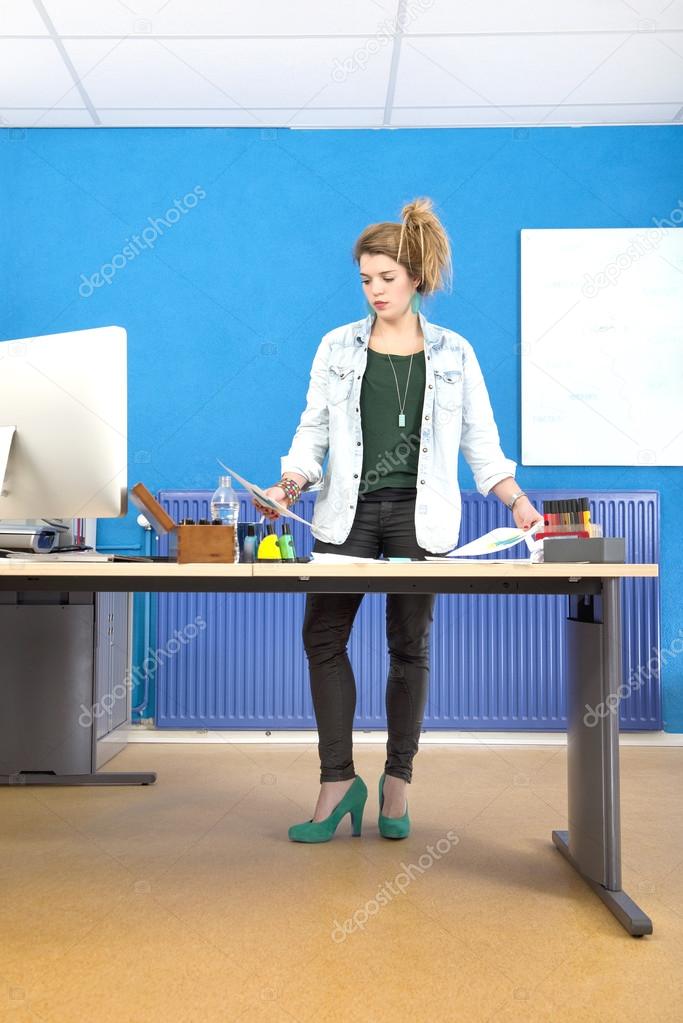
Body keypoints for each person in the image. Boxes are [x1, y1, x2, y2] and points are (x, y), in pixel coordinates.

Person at [253, 197, 542, 843]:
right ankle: (336, 782)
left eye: (385, 277)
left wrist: (517, 502)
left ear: (414, 276)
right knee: (322, 638)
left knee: (407, 647)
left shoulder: (452, 353)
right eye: (364, 279)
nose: (374, 290)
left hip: (420, 518)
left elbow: (480, 442)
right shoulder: (336, 346)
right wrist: (291, 482)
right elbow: (313, 427)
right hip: (346, 513)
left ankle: (396, 781)